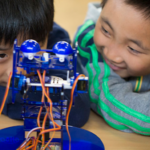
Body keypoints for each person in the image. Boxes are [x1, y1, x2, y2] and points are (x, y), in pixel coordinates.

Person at [0, 0, 90, 128]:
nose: (19, 70)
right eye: (2, 55)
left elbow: (75, 111)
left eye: (33, 50)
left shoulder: (56, 44)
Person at [74, 0, 150, 135]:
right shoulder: (89, 50)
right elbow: (110, 99)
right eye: (105, 31)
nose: (111, 55)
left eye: (132, 48)